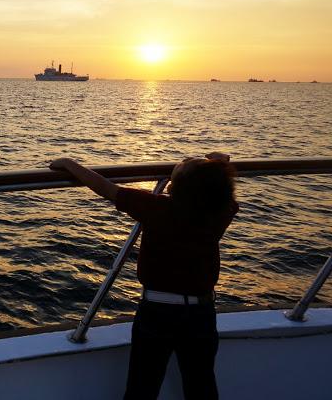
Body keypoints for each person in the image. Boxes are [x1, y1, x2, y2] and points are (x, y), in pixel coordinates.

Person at [49, 153, 237, 400]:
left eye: (184, 165)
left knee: (142, 387)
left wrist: (68, 164)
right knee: (201, 385)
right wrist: (220, 164)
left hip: (157, 313)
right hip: (201, 314)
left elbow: (106, 188)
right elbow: (224, 194)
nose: (186, 158)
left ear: (172, 185)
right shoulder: (220, 213)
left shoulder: (155, 207)